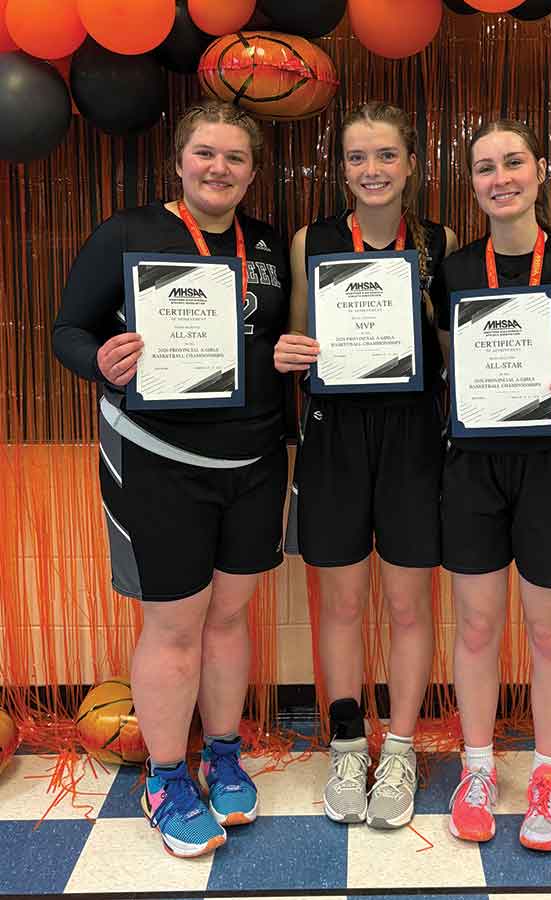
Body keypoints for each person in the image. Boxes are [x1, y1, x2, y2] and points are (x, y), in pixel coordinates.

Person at [53, 100, 289, 858]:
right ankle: (163, 779)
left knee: (229, 618)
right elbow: (68, 331)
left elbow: (275, 336)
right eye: (205, 153)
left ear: (253, 171)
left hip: (254, 461)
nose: (219, 168)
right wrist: (100, 361)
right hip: (158, 457)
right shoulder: (126, 233)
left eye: (235, 157)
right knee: (175, 625)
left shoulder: (266, 243)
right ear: (180, 160)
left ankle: (222, 756)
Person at [274, 102, 457, 829]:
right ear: (342, 168)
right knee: (342, 605)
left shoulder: (441, 242)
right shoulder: (311, 241)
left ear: (410, 164)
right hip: (334, 435)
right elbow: (296, 339)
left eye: (385, 155)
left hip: (414, 437)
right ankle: (348, 744)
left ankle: (401, 747)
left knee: (409, 605)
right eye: (357, 157)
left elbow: (455, 346)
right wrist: (291, 353)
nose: (372, 169)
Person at [440, 119, 551, 851]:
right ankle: (477, 768)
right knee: (477, 627)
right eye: (485, 168)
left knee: (550, 632)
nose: (501, 178)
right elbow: (446, 367)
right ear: (472, 184)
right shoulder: (454, 270)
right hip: (471, 469)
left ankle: (548, 774)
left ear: (539, 170)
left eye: (513, 162)